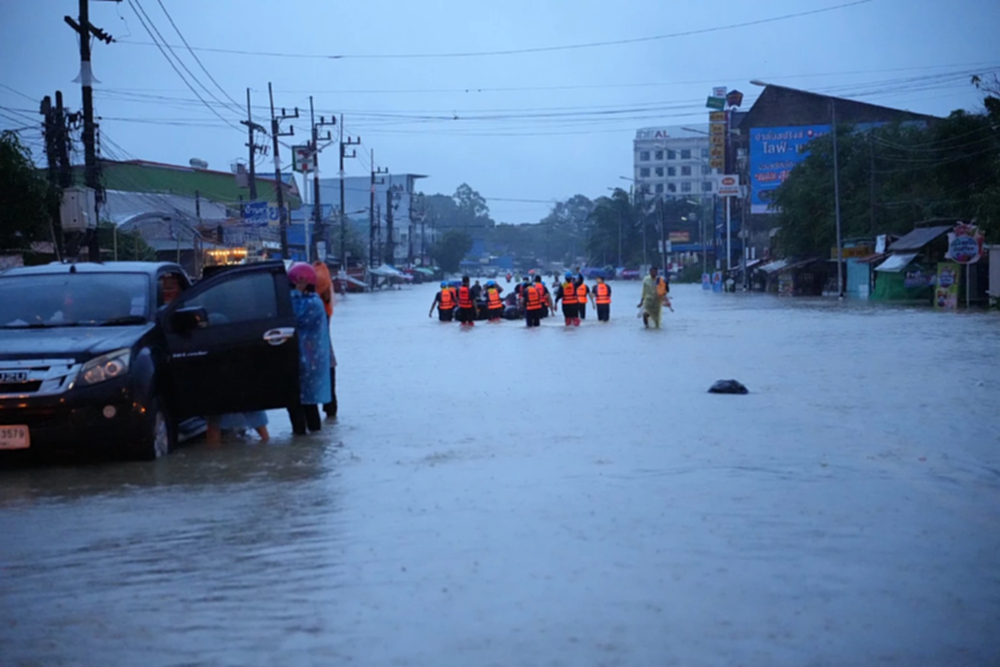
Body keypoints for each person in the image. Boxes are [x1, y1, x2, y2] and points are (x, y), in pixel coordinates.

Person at [286, 262, 332, 434]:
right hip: (302, 357)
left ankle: (306, 437)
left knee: (304, 402)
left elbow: (295, 317)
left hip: (309, 358)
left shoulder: (313, 303)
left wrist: (296, 293)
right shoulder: (311, 302)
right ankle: (305, 438)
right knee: (299, 402)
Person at [314, 260, 338, 420]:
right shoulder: (326, 304)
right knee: (330, 393)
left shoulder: (310, 304)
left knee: (309, 398)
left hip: (309, 356)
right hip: (327, 356)